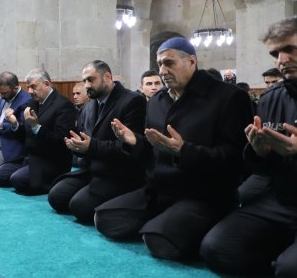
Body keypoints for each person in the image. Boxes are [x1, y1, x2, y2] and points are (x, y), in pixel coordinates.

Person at [97, 37, 253, 260]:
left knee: (159, 241)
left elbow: (236, 159)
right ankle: (166, 222)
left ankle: (182, 225)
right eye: (160, 64)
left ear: (191, 61)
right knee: (104, 218)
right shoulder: (157, 102)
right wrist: (135, 141)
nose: (162, 70)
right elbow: (153, 153)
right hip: (159, 190)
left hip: (203, 194)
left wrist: (183, 151)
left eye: (169, 63)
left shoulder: (228, 97)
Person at [200, 16, 297, 276]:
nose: (281, 60)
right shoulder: (270, 100)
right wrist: (257, 151)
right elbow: (259, 167)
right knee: (216, 249)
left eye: (290, 49)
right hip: (282, 200)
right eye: (275, 53)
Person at [48, 61, 146, 223]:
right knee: (56, 197)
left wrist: (89, 146)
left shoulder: (133, 101)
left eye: (90, 80)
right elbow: (84, 140)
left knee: (79, 207)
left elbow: (129, 148)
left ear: (107, 77)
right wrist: (76, 146)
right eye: (84, 81)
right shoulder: (89, 106)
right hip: (92, 169)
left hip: (118, 173)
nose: (86, 85)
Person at [0, 68, 75, 195]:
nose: (30, 91)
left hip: (51, 160)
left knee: (17, 179)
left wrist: (37, 127)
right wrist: (14, 124)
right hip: (29, 157)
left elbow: (61, 140)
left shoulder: (63, 105)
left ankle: (55, 182)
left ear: (47, 84)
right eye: (28, 87)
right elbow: (25, 135)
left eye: (33, 87)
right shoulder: (32, 102)